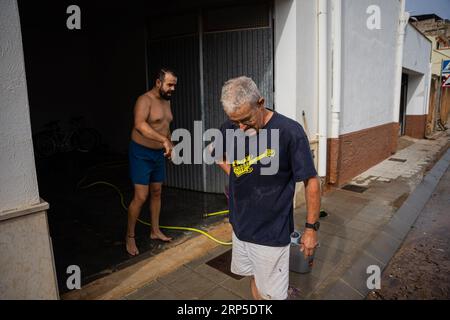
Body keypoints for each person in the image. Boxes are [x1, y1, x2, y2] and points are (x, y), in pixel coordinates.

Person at [216, 76, 321, 300]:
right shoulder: (230, 127)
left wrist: (311, 229)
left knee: (273, 295)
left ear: (260, 103)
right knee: (255, 278)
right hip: (240, 226)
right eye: (236, 122)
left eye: (245, 119)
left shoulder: (290, 132)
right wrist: (237, 173)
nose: (241, 128)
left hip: (271, 233)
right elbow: (217, 155)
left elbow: (311, 181)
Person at [126, 68, 177, 256]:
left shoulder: (166, 101)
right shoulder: (144, 100)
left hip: (158, 155)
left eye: (174, 85)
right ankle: (129, 236)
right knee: (141, 196)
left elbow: (165, 126)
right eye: (169, 84)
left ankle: (155, 231)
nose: (172, 88)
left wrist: (169, 143)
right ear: (158, 82)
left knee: (157, 192)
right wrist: (163, 140)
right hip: (141, 153)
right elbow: (139, 125)